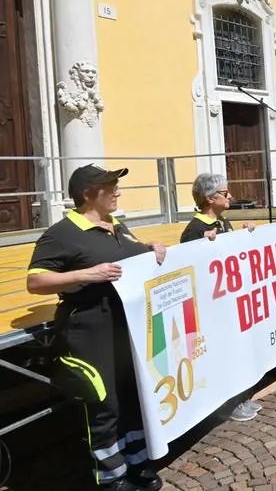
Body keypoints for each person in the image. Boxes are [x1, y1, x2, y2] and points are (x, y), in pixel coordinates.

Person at [26, 165, 167, 491]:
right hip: (88, 331)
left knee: (132, 396)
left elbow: (129, 255)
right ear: (89, 193)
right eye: (111, 187)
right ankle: (111, 477)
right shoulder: (61, 233)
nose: (117, 192)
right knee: (105, 404)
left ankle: (137, 461)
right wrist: (87, 275)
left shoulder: (117, 225)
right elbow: (35, 281)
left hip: (125, 329)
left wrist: (153, 248)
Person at [180, 174, 261, 422]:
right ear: (209, 198)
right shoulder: (194, 230)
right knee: (222, 355)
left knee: (235, 351)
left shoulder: (223, 222)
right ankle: (228, 404)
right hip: (211, 308)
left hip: (229, 302)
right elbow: (188, 266)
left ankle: (240, 396)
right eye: (225, 194)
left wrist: (244, 236)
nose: (230, 197)